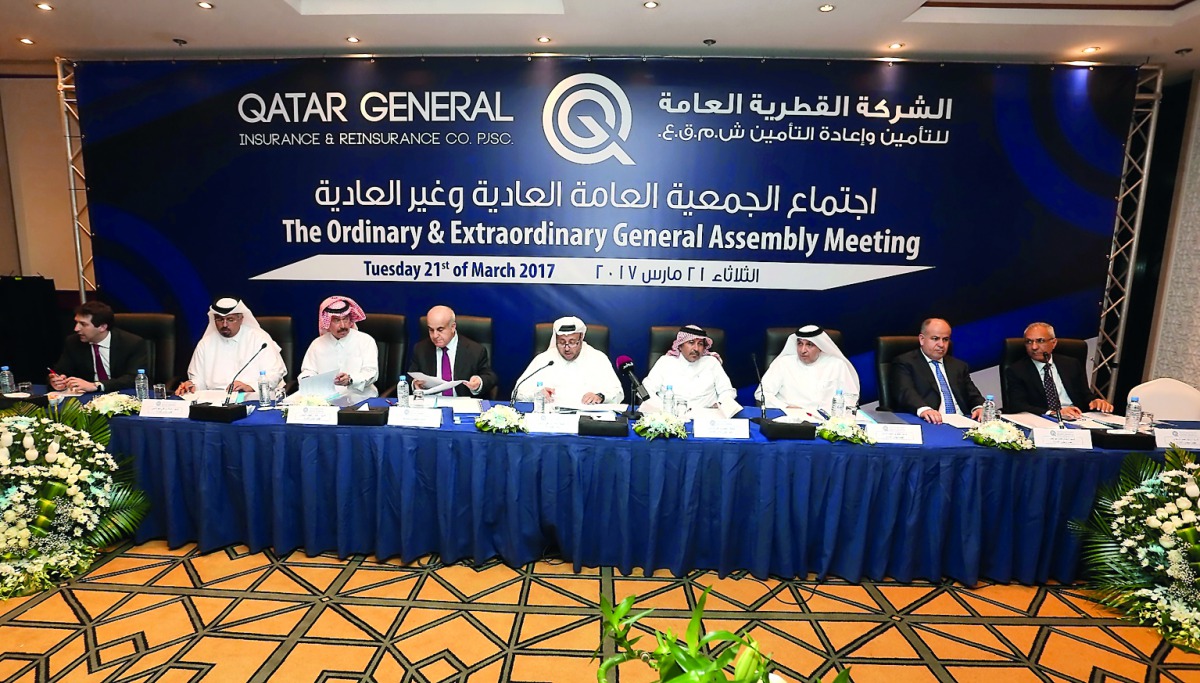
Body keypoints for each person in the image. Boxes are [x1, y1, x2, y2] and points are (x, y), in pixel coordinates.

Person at [175, 297, 287, 396]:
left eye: (230, 319)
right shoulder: (205, 343)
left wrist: (250, 386)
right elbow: (198, 379)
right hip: (215, 401)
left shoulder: (259, 339)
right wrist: (192, 385)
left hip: (251, 397)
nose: (224, 324)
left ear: (241, 319)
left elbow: (275, 374)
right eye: (219, 319)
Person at [1003, 322, 1114, 419]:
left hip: (1077, 417)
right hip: (1044, 420)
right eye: (1029, 342)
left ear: (1054, 343)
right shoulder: (1017, 370)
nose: (1034, 347)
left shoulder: (1071, 364)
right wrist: (1054, 413)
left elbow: (1085, 394)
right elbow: (1017, 406)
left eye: (1040, 341)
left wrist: (1094, 402)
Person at [890, 317, 984, 423]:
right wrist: (924, 409)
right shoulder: (905, 362)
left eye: (945, 339)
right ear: (922, 339)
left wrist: (979, 407)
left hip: (962, 421)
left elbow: (973, 394)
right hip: (931, 422)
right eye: (935, 338)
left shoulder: (959, 366)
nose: (941, 345)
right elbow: (905, 392)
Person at [512, 316, 623, 405]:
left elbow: (618, 393)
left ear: (581, 338)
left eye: (572, 342)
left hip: (587, 421)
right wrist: (536, 394)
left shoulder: (598, 359)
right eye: (561, 342)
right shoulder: (544, 360)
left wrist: (600, 396)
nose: (566, 348)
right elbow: (517, 393)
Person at [49, 300, 149, 393]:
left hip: (123, 396)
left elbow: (133, 378)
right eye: (76, 322)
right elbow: (60, 371)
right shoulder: (73, 342)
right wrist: (56, 381)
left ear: (102, 327)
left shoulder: (132, 343)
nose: (76, 328)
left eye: (83, 324)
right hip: (88, 399)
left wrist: (97, 385)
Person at [297, 296, 379, 400]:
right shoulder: (317, 344)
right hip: (326, 401)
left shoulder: (365, 341)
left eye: (345, 319)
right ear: (326, 322)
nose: (343, 325)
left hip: (360, 398)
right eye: (336, 321)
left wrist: (350, 380)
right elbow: (308, 371)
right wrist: (308, 380)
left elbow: (371, 373)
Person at [761, 325, 859, 410]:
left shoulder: (837, 365)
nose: (803, 350)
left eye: (809, 345)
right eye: (800, 344)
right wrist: (785, 407)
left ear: (821, 347)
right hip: (789, 419)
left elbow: (850, 396)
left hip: (826, 421)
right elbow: (762, 393)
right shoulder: (783, 363)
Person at [408, 305, 498, 397]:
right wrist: (414, 384)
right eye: (431, 330)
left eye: (440, 329)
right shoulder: (420, 349)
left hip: (462, 405)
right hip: (430, 404)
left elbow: (489, 376)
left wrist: (479, 382)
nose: (435, 336)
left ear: (452, 327)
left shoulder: (475, 350)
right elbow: (410, 377)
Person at [642, 325, 737, 411]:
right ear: (680, 346)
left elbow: (727, 391)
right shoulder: (665, 362)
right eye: (691, 342)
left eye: (700, 344)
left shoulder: (711, 362)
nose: (696, 348)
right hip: (671, 417)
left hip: (706, 417)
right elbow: (646, 389)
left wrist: (720, 404)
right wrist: (663, 408)